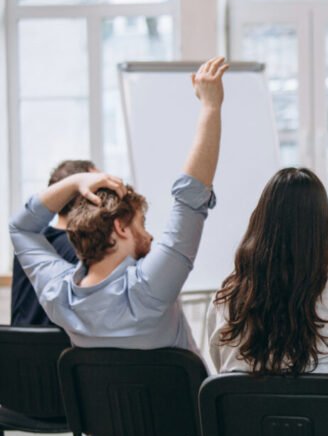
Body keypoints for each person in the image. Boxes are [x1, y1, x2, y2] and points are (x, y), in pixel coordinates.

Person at [9, 56, 229, 352]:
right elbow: (191, 197)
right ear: (120, 228)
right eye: (142, 224)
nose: (150, 236)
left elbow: (21, 228)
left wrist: (75, 183)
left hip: (98, 402)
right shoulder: (149, 289)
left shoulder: (60, 297)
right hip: (176, 401)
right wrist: (211, 106)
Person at [207, 167, 328, 381]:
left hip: (254, 414)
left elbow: (226, 387)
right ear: (324, 230)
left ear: (260, 225)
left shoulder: (226, 301)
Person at [11, 160, 96, 326]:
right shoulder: (86, 250)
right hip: (57, 351)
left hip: (17, 349)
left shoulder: (29, 243)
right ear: (83, 195)